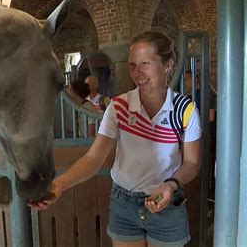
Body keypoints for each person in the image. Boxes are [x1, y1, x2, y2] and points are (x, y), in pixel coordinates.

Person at [30, 31, 201, 247]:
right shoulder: (119, 107)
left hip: (167, 204)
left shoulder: (185, 110)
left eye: (145, 64)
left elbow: (192, 163)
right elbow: (94, 158)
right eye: (132, 65)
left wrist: (171, 184)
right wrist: (60, 184)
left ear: (167, 65)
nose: (137, 73)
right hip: (124, 205)